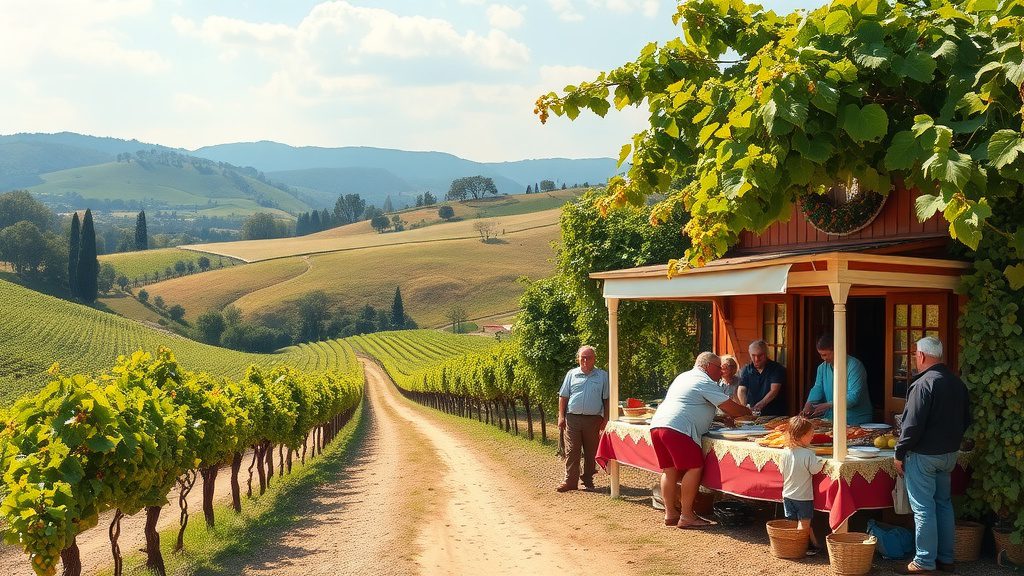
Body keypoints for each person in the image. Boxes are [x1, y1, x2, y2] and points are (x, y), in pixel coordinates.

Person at [894, 337, 971, 575]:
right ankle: (946, 559)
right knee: (943, 505)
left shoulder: (923, 384)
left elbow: (912, 425)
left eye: (916, 354)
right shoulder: (957, 383)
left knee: (924, 509)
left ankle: (924, 562)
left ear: (922, 356)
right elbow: (967, 419)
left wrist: (899, 452)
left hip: (924, 455)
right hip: (948, 454)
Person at [649, 352, 752, 528]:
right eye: (719, 367)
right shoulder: (703, 381)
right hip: (678, 428)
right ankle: (687, 515)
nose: (721, 371)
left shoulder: (684, 377)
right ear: (707, 366)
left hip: (658, 425)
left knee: (669, 470)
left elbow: (691, 405)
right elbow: (732, 409)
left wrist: (718, 419)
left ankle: (671, 513)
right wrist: (748, 412)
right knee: (695, 467)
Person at [556, 345, 609, 493]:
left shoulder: (602, 376)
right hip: (572, 418)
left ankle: (588, 478)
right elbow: (563, 396)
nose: (585, 360)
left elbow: (606, 399)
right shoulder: (571, 374)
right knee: (572, 450)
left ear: (594, 359)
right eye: (582, 357)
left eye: (589, 357)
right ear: (578, 359)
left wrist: (606, 419)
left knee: (591, 451)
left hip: (593, 420)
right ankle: (570, 481)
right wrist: (561, 416)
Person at [801, 333, 873, 425]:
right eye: (821, 355)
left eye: (825, 355)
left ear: (838, 350)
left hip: (856, 420)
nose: (823, 358)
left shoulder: (854, 366)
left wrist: (828, 405)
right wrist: (808, 404)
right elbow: (817, 388)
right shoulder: (822, 368)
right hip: (832, 419)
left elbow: (853, 397)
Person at [780, 416, 824, 556]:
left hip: (787, 494)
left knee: (792, 522)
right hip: (803, 496)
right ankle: (800, 548)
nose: (812, 437)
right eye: (810, 435)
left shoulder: (785, 452)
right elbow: (815, 470)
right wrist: (822, 463)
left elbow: (781, 470)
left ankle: (795, 545)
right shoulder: (808, 454)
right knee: (804, 523)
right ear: (802, 435)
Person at [737, 340, 787, 416]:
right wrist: (744, 407)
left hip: (774, 414)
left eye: (760, 355)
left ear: (766, 354)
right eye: (753, 355)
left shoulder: (776, 368)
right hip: (753, 414)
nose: (757, 359)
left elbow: (774, 390)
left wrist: (760, 405)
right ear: (749, 354)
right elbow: (741, 390)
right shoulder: (747, 369)